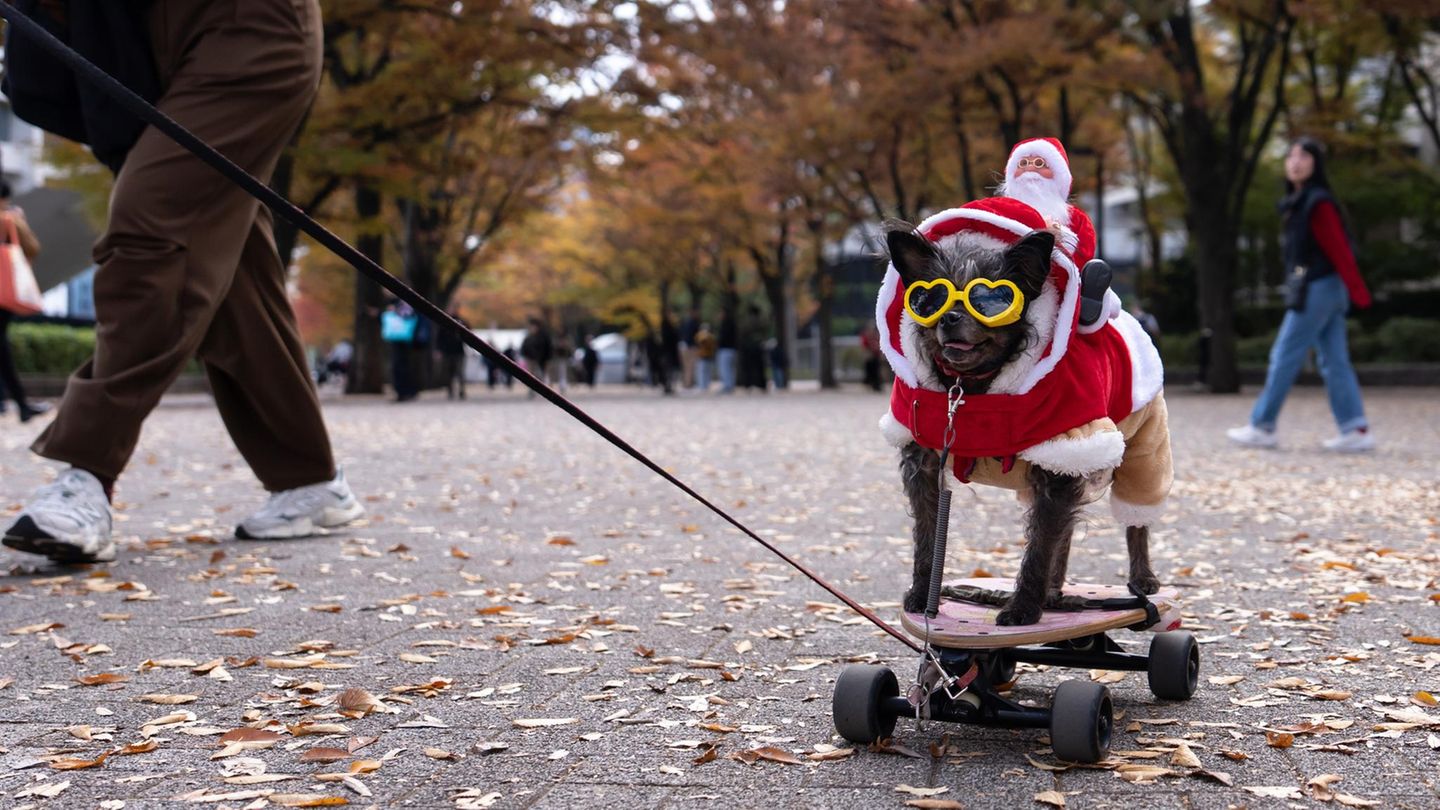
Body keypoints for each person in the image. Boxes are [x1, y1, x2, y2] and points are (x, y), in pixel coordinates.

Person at [2, 0, 363, 565]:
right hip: (153, 53)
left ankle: (89, 473)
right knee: (236, 279)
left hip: (250, 28)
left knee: (153, 229)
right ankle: (309, 477)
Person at [1227, 137, 1374, 452]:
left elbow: (1339, 250)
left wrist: (1359, 292)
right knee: (1334, 360)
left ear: (1316, 164)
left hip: (1319, 288)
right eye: (1291, 155)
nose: (1295, 161)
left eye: (1304, 155)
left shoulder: (1317, 202)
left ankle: (1262, 425)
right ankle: (1356, 429)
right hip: (1325, 287)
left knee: (1284, 354)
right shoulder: (1301, 202)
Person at [0, 181, 51, 422]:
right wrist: (18, 220)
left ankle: (17, 402)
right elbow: (32, 247)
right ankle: (21, 403)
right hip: (3, 295)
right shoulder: (8, 219)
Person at [436, 304, 470, 400]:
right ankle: (450, 391)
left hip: (459, 351)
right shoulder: (444, 322)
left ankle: (461, 391)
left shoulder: (462, 321)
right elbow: (439, 338)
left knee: (460, 373)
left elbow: (469, 332)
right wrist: (439, 350)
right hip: (447, 351)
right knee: (448, 373)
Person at [519, 317, 553, 396]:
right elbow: (524, 348)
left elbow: (547, 348)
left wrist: (547, 358)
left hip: (541, 359)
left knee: (541, 375)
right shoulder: (529, 337)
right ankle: (532, 390)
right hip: (531, 359)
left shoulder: (542, 337)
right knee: (532, 375)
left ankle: (542, 389)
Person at [716, 310, 738, 393]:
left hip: (725, 349)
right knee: (730, 369)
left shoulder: (725, 325)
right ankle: (730, 385)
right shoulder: (732, 324)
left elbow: (722, 338)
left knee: (725, 369)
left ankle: (727, 386)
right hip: (732, 350)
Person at [678, 307, 700, 388]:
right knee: (690, 366)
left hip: (683, 346)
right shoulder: (694, 323)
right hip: (690, 347)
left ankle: (686, 383)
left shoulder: (684, 322)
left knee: (685, 367)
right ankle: (688, 384)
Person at [860, 321, 883, 392]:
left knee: (876, 371)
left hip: (875, 356)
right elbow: (864, 345)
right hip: (870, 356)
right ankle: (872, 383)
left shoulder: (876, 336)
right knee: (870, 371)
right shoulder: (866, 336)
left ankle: (876, 385)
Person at [694, 322, 716, 391]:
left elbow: (710, 343)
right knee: (701, 372)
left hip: (708, 356)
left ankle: (705, 386)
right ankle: (702, 386)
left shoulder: (710, 337)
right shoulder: (700, 335)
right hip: (702, 356)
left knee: (707, 372)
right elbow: (698, 340)